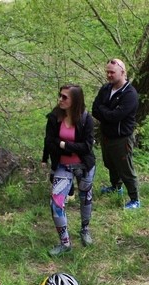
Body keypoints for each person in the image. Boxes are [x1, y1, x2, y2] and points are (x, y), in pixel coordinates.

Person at [42, 84, 97, 255]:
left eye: (65, 97)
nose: (60, 99)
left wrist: (64, 144)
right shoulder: (54, 117)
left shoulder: (86, 119)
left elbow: (87, 146)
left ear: (75, 100)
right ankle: (65, 243)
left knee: (85, 198)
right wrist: (65, 149)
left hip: (84, 166)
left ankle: (85, 229)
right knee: (56, 203)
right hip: (63, 166)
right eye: (60, 95)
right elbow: (49, 142)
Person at [91, 58, 141, 209]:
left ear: (122, 72)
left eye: (112, 72)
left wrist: (104, 111)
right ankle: (116, 187)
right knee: (110, 163)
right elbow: (95, 109)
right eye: (107, 72)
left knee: (126, 169)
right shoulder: (106, 89)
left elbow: (115, 117)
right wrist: (107, 112)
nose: (109, 75)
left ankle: (135, 199)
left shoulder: (130, 94)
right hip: (106, 135)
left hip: (122, 138)